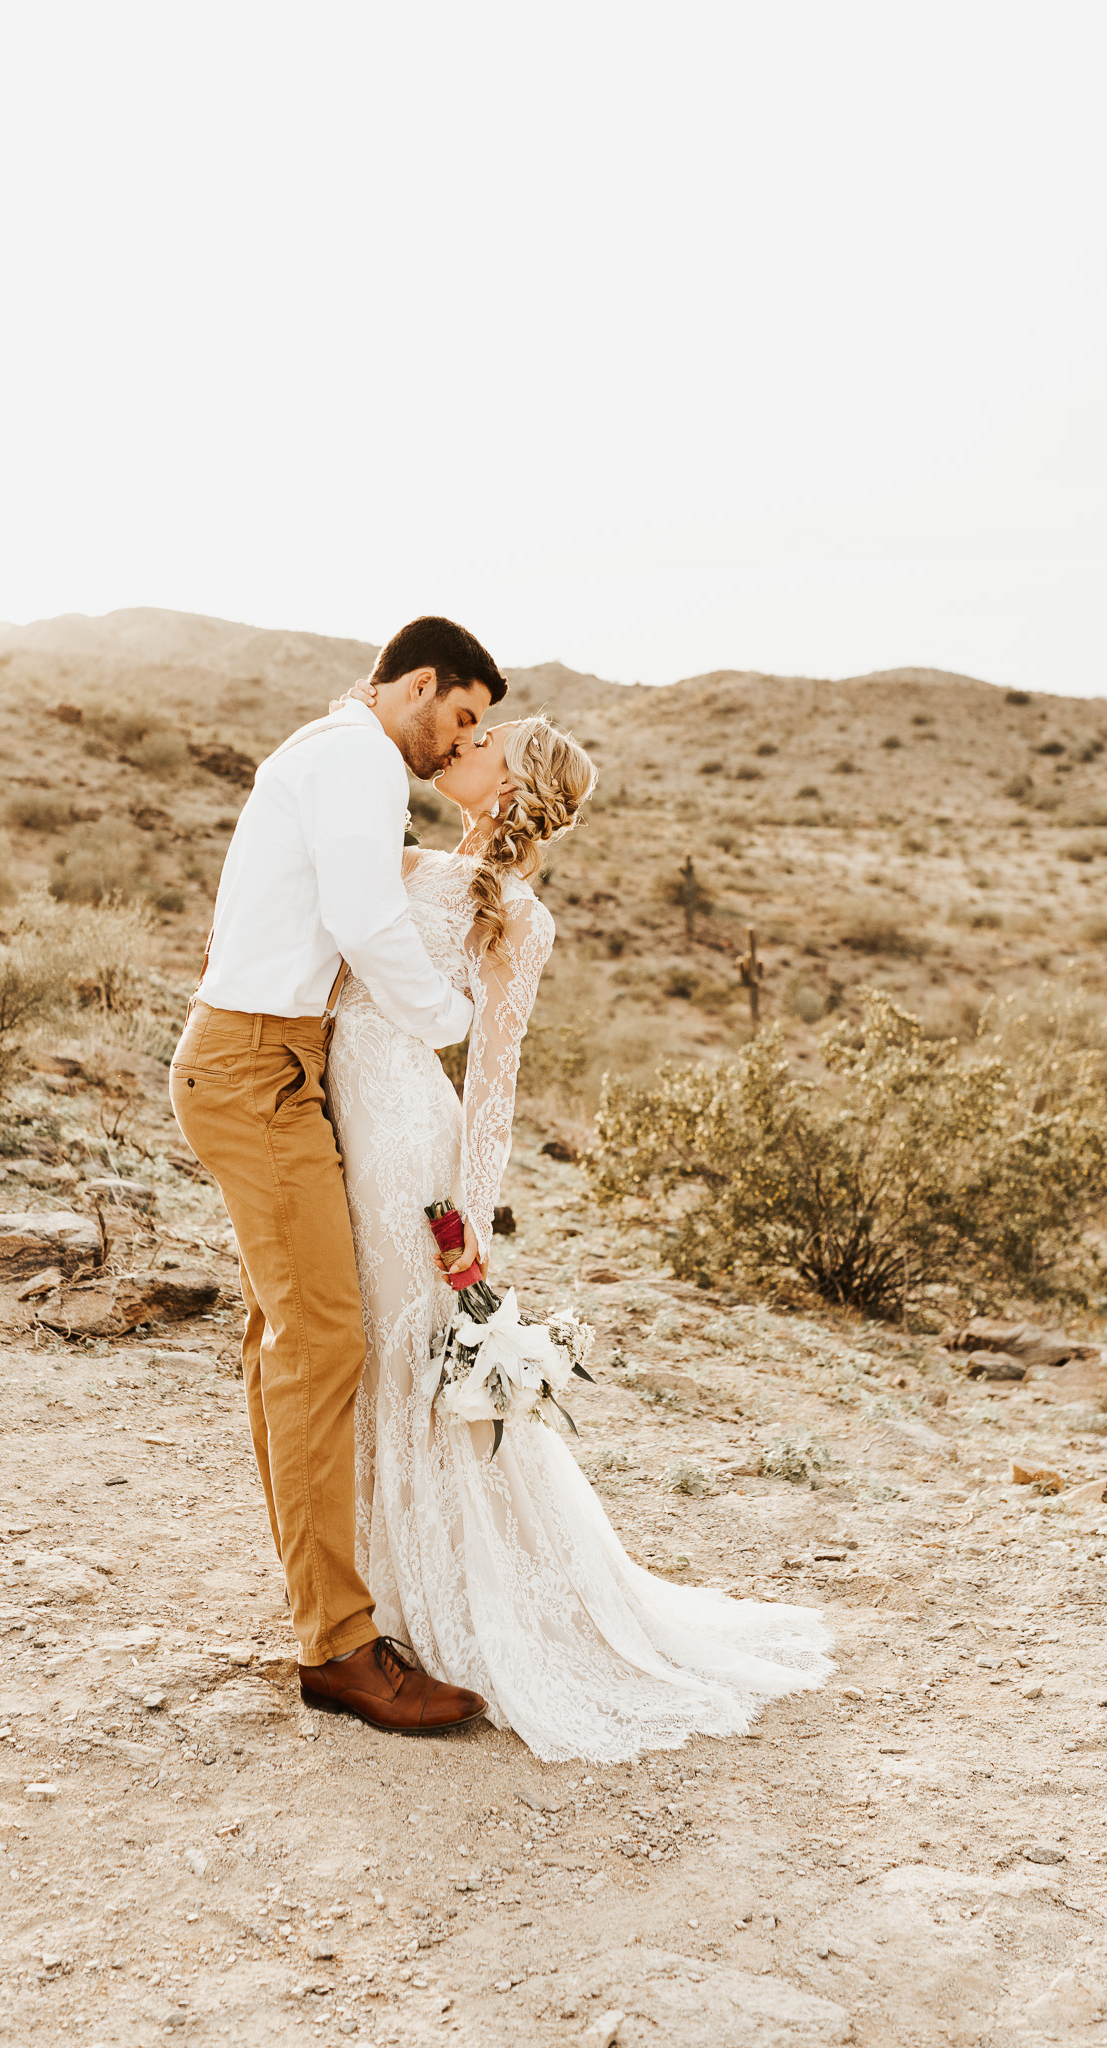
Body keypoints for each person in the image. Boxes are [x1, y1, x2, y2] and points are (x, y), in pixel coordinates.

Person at [325, 687, 834, 1761]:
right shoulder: (412, 851)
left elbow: (494, 1079)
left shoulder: (516, 909)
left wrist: (469, 1221)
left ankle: (430, 1602)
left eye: (486, 741)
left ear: (508, 783)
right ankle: (367, 1589)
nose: (463, 742)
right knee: (365, 1349)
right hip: (345, 1107)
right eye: (465, 728)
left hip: (405, 1138)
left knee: (408, 1352)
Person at [169, 616, 508, 1736]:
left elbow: (370, 893)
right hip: (254, 1059)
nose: (456, 739)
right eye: (459, 716)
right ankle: (336, 1643)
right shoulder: (357, 756)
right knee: (321, 1337)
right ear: (416, 685)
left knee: (290, 1333)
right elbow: (366, 920)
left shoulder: (332, 751)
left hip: (271, 1056)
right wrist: (449, 1017)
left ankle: (320, 1612)